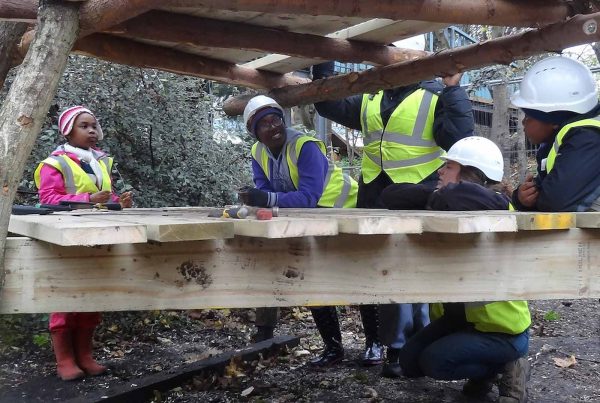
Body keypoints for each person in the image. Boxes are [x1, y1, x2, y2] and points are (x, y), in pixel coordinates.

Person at [312, 61, 475, 375]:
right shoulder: (371, 98)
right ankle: (396, 349)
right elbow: (328, 103)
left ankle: (423, 340)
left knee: (418, 268)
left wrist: (454, 90)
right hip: (376, 196)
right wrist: (323, 66)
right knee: (384, 271)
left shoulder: (436, 94)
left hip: (419, 194)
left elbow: (459, 136)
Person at [381, 136, 531, 403]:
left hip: (501, 330)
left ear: (472, 173)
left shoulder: (498, 208)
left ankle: (506, 366)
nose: (440, 171)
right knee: (409, 361)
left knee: (435, 362)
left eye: (449, 166)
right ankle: (487, 368)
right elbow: (391, 194)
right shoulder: (451, 203)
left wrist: (439, 196)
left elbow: (465, 196)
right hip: (457, 321)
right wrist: (436, 196)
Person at [240, 95, 386, 367]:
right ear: (254, 133)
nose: (273, 127)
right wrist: (259, 200)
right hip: (311, 220)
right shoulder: (258, 153)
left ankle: (375, 345)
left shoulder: (305, 146)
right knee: (313, 280)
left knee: (361, 277)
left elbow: (305, 196)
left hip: (344, 214)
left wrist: (265, 200)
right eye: (265, 124)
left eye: (276, 119)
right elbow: (265, 193)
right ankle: (333, 349)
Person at [34, 106, 133, 380]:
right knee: (65, 295)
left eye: (94, 125)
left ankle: (85, 356)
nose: (91, 130)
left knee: (92, 293)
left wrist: (118, 203)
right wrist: (87, 201)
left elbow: (105, 196)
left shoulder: (100, 160)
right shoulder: (54, 163)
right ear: (68, 130)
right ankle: (65, 359)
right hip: (64, 240)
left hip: (97, 237)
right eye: (84, 126)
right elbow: (48, 200)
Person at [510, 56, 600, 212]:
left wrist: (536, 198)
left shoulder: (589, 139)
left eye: (529, 117)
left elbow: (555, 200)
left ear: (553, 120)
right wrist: (521, 198)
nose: (523, 122)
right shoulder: (564, 141)